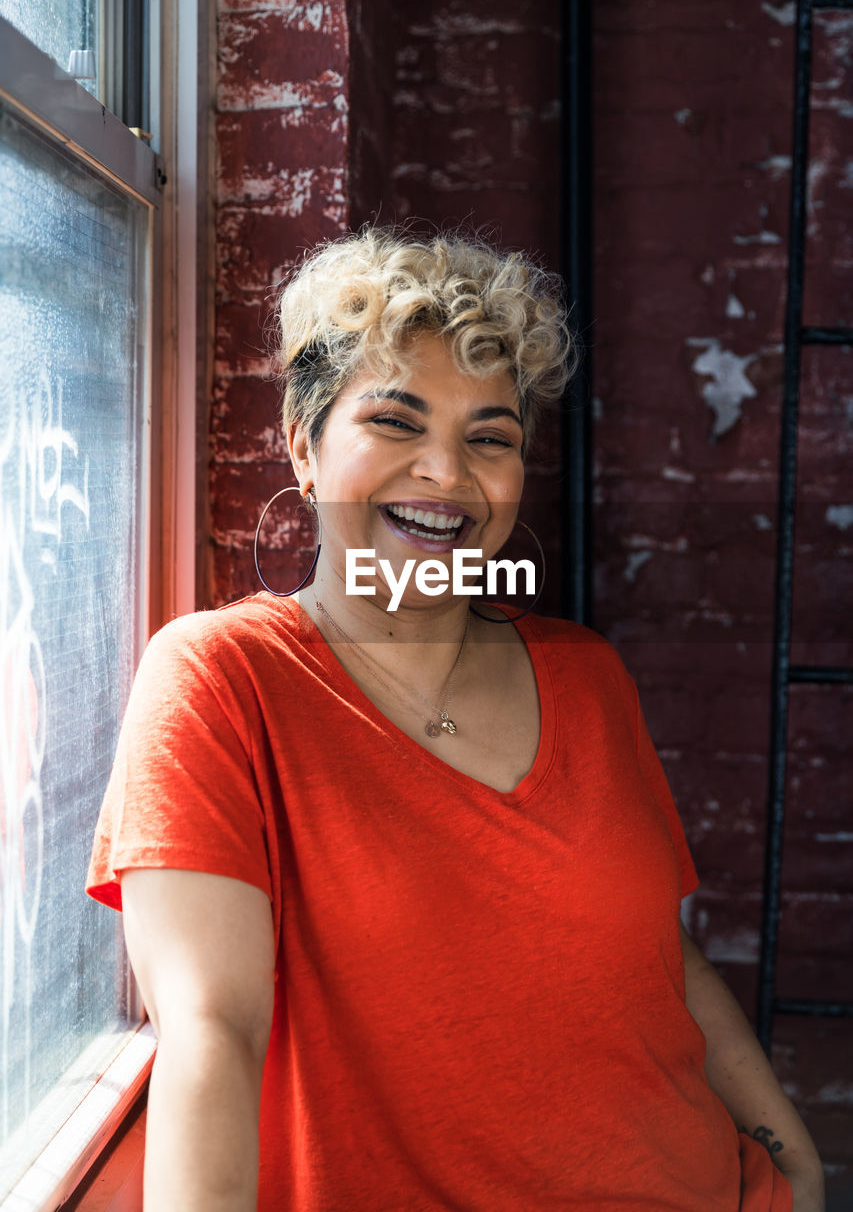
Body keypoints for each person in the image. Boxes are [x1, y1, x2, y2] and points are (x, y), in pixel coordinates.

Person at [87, 227, 825, 1212]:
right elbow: (210, 1035)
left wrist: (791, 1155)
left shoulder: (585, 675)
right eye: (396, 422)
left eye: (489, 437)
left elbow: (658, 956)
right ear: (304, 445)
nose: (447, 472)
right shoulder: (224, 678)